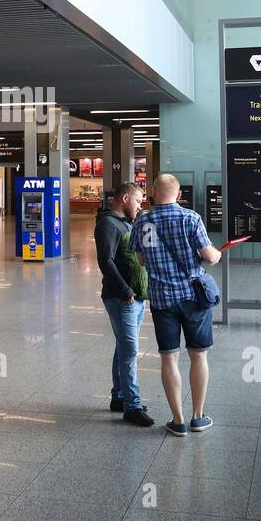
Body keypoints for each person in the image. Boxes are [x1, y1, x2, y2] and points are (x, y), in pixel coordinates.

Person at [129, 173, 222, 437]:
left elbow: (141, 260)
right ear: (179, 194)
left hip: (161, 299)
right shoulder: (190, 218)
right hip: (193, 298)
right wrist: (216, 252)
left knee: (169, 357)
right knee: (198, 355)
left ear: (153, 192)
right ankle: (197, 416)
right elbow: (209, 257)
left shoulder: (143, 220)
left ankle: (178, 420)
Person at [95, 181, 153, 427]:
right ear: (125, 198)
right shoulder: (108, 223)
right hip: (122, 298)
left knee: (123, 348)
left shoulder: (125, 223)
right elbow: (105, 261)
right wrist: (125, 290)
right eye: (138, 200)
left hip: (134, 298)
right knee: (130, 351)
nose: (140, 206)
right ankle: (132, 406)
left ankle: (119, 397)